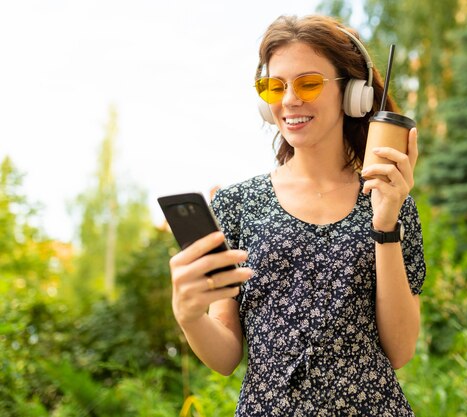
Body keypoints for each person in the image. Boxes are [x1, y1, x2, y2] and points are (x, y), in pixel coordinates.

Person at [168, 14, 426, 416]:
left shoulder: (390, 199)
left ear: (352, 93)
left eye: (308, 83)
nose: (289, 100)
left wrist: (385, 224)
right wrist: (188, 315)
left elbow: (400, 350)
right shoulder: (236, 203)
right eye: (274, 86)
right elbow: (224, 357)